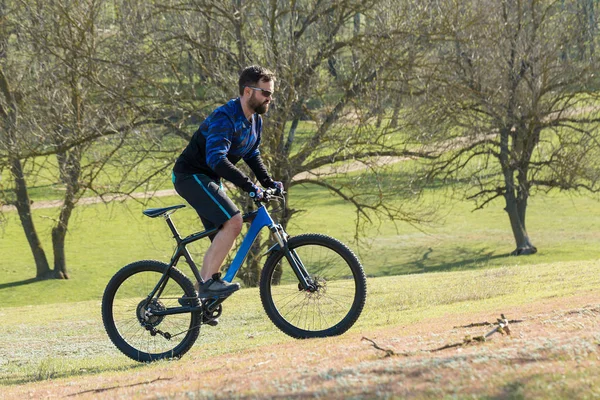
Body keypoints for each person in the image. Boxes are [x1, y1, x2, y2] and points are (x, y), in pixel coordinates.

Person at [172, 65, 283, 299]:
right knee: (234, 222)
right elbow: (216, 159)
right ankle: (208, 286)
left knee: (225, 233)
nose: (269, 98)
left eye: (271, 93)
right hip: (190, 175)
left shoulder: (255, 121)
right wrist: (249, 186)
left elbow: (252, 154)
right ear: (247, 92)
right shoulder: (225, 117)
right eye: (265, 93)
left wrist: (268, 182)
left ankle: (200, 298)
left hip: (209, 178)